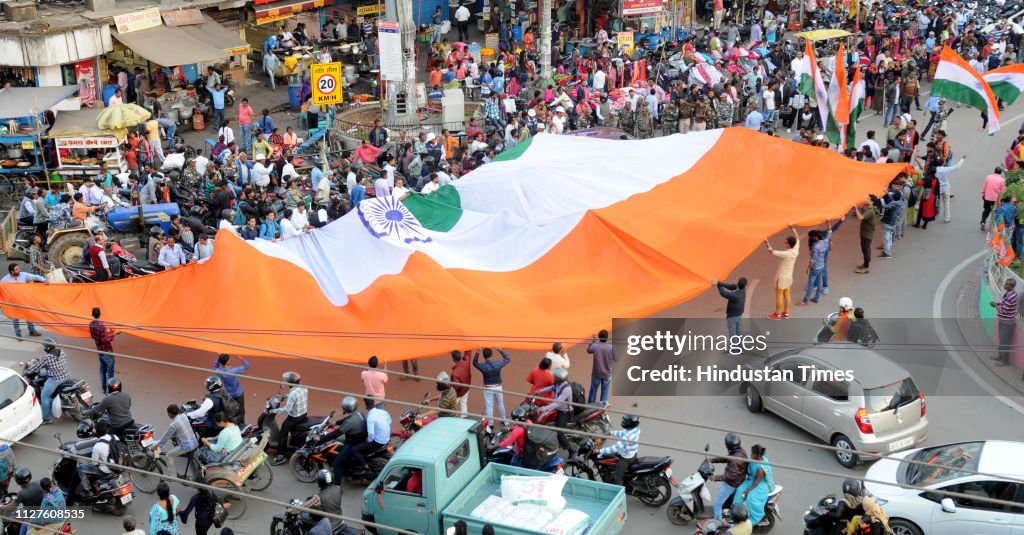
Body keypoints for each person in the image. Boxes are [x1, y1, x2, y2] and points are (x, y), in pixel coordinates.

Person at [26, 338, 69, 423]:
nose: (44, 348)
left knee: (44, 396)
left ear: (47, 348)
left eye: (45, 346)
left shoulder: (47, 357)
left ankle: (47, 418)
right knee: (44, 374)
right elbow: (56, 364)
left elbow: (37, 366)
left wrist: (28, 371)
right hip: (66, 375)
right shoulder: (62, 351)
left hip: (55, 379)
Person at [271, 371, 308, 465]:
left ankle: (280, 455)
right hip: (303, 414)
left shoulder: (293, 394)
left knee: (282, 433)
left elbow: (287, 409)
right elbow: (296, 396)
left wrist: (274, 411)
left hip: (295, 417)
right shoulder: (304, 388)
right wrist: (286, 396)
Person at [732, 444, 775, 526]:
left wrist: (748, 491)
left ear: (758, 455)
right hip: (752, 479)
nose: (751, 455)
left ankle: (755, 518)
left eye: (752, 454)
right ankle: (735, 512)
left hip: (761, 483)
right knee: (739, 490)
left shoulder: (761, 468)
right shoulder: (753, 458)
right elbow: (745, 461)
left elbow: (757, 482)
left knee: (750, 498)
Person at [327, 396, 367, 483]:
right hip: (362, 439)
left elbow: (336, 433)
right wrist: (337, 422)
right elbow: (347, 419)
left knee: (336, 464)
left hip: (353, 443)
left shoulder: (350, 422)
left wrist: (321, 439)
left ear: (346, 408)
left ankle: (336, 487)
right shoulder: (359, 412)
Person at [534, 368, 574, 455]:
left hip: (564, 412)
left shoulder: (566, 389)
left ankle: (571, 451)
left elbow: (557, 404)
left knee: (559, 432)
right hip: (558, 409)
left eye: (554, 377)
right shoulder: (557, 384)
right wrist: (539, 391)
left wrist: (544, 409)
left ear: (558, 379)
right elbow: (550, 388)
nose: (553, 378)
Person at [709, 433, 748, 519]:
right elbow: (726, 458)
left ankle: (717, 524)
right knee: (725, 501)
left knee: (717, 505)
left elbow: (730, 476)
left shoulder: (735, 459)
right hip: (738, 480)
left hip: (731, 484)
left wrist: (715, 477)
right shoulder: (740, 451)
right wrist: (712, 460)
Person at [765, 225, 800, 319]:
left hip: (781, 277)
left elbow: (771, 251)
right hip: (789, 277)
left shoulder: (786, 254)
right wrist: (792, 228)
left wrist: (766, 242)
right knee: (787, 294)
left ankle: (777, 313)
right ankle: (787, 313)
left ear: (789, 244)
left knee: (779, 295)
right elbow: (797, 238)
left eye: (786, 242)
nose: (785, 244)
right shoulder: (795, 250)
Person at [1, 263, 44, 338]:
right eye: (17, 269)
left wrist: (44, 280)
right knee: (15, 318)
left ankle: (32, 331)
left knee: (29, 316)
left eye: (19, 268)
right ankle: (18, 334)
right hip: (13, 302)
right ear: (12, 271)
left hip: (24, 300)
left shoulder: (23, 275)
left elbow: (35, 277)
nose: (19, 270)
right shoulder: (5, 279)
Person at [77, 419, 115, 499]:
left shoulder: (97, 446)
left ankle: (88, 490)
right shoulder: (113, 437)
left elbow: (94, 463)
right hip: (116, 465)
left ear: (96, 432)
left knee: (80, 468)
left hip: (106, 469)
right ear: (106, 430)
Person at [474, 346, 510, 429]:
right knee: (501, 403)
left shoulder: (483, 366)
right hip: (498, 387)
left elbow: (475, 363)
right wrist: (500, 350)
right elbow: (507, 359)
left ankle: (490, 424)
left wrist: (477, 352)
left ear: (484, 356)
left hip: (488, 388)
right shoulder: (498, 363)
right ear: (492, 354)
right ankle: (505, 420)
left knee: (489, 406)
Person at [598, 415, 641, 485]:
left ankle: (619, 489)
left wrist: (600, 451)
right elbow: (621, 433)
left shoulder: (628, 436)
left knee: (617, 476)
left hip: (627, 458)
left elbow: (616, 448)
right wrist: (610, 433)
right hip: (630, 453)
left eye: (626, 421)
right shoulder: (633, 429)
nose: (624, 422)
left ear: (630, 423)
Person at [214, 354, 249, 423]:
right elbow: (246, 366)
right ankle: (241, 425)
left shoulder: (218, 371)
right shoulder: (234, 371)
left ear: (220, 362)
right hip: (238, 394)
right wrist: (240, 357)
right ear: (228, 361)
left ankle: (232, 424)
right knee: (241, 411)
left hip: (229, 395)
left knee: (230, 411)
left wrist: (219, 357)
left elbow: (215, 366)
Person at [89, 307, 117, 393]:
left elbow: (94, 336)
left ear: (92, 314)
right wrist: (114, 334)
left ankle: (104, 388)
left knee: (102, 370)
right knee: (110, 372)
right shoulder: (101, 326)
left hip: (99, 351)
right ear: (100, 314)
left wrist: (106, 333)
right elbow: (106, 340)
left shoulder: (91, 324)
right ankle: (111, 390)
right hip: (107, 352)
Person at [991, 278, 1018, 366]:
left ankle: (1005, 360)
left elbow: (1004, 310)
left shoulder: (1012, 296)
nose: (1005, 285)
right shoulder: (1008, 294)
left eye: (1007, 284)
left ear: (1011, 286)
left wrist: (995, 305)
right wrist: (998, 304)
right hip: (1004, 320)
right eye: (1005, 283)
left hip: (1007, 322)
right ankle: (1000, 355)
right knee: (1002, 340)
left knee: (1005, 342)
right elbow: (1003, 305)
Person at [586, 330, 616, 403]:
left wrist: (593, 341)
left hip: (596, 373)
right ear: (607, 337)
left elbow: (588, 350)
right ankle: (602, 408)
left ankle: (591, 406)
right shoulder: (611, 347)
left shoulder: (595, 346)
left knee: (593, 390)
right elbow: (616, 358)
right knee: (605, 391)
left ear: (599, 337)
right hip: (607, 374)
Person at [715, 278, 747, 346]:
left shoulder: (735, 295)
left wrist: (718, 285)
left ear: (738, 284)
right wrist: (720, 283)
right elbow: (731, 286)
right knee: (738, 333)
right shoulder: (743, 291)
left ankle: (734, 350)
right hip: (739, 315)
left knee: (732, 334)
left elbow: (724, 293)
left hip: (732, 317)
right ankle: (740, 348)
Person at [853, 197, 878, 274]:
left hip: (867, 234)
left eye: (868, 199)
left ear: (872, 202)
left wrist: (855, 208)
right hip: (865, 232)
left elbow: (860, 217)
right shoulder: (869, 208)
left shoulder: (870, 211)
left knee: (866, 249)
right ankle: (865, 264)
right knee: (865, 249)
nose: (866, 199)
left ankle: (866, 267)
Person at [450, 349, 472, 416]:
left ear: (453, 360)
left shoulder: (455, 373)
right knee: (463, 404)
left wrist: (450, 385)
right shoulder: (466, 361)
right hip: (467, 388)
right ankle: (464, 418)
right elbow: (468, 352)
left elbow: (456, 386)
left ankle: (450, 418)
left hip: (458, 393)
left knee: (451, 406)